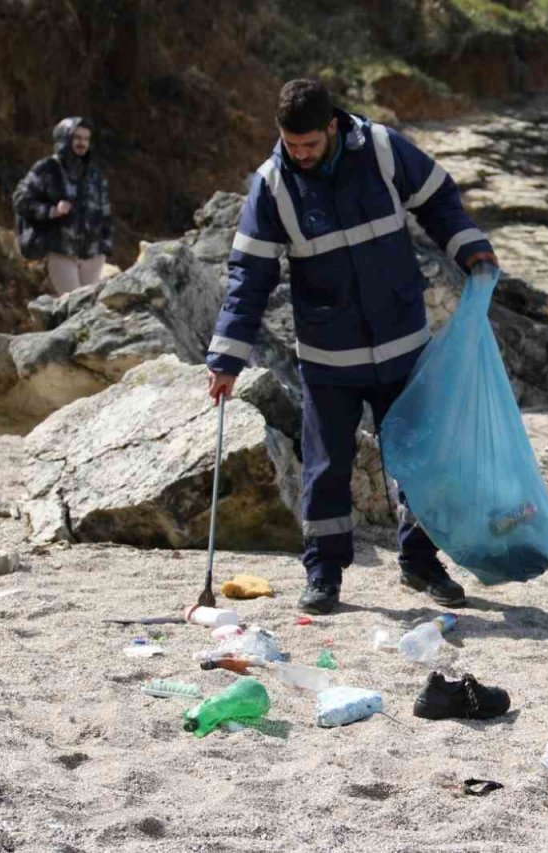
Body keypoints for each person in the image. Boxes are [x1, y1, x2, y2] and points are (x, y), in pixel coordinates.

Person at [205, 79, 498, 614]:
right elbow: (249, 277)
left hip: (402, 343)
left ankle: (421, 561)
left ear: (332, 126)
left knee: (419, 459)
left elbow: (439, 201)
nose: (300, 154)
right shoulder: (272, 186)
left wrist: (471, 248)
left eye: (310, 144)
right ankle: (323, 572)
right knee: (326, 468)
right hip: (328, 357)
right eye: (291, 144)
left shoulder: (383, 149)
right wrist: (226, 359)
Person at [12, 117, 113, 294]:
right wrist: (51, 211)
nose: (82, 143)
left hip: (93, 254)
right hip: (61, 252)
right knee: (73, 304)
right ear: (64, 139)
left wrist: (106, 244)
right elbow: (21, 199)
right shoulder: (47, 169)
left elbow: (105, 212)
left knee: (90, 307)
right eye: (77, 138)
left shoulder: (95, 175)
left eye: (86, 139)